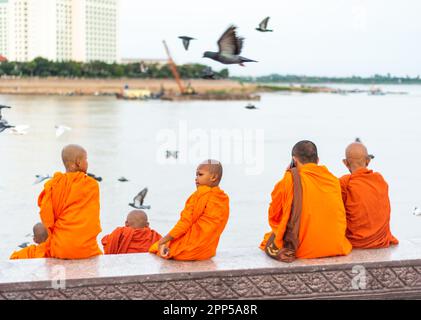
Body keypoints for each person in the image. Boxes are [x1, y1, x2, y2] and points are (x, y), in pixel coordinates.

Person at [260, 141, 352, 260]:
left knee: (268, 239)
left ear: (294, 160)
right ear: (317, 160)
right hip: (336, 246)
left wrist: (288, 175)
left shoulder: (289, 179)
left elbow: (274, 216)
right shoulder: (333, 180)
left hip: (303, 249)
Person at [150, 160, 229, 261]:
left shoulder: (200, 195)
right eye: (196, 175)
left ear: (213, 177)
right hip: (208, 251)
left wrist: (163, 240)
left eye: (200, 174)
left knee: (156, 247)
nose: (196, 179)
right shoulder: (223, 198)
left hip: (190, 251)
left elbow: (184, 223)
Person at [38, 144, 102, 259]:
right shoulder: (91, 184)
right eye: (86, 159)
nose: (87, 162)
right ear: (78, 162)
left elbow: (48, 217)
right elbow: (90, 220)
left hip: (60, 248)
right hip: (86, 249)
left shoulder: (54, 184)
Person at [340, 142, 398, 248]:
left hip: (355, 244)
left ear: (345, 163)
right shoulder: (379, 180)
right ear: (368, 161)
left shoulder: (344, 183)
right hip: (381, 242)